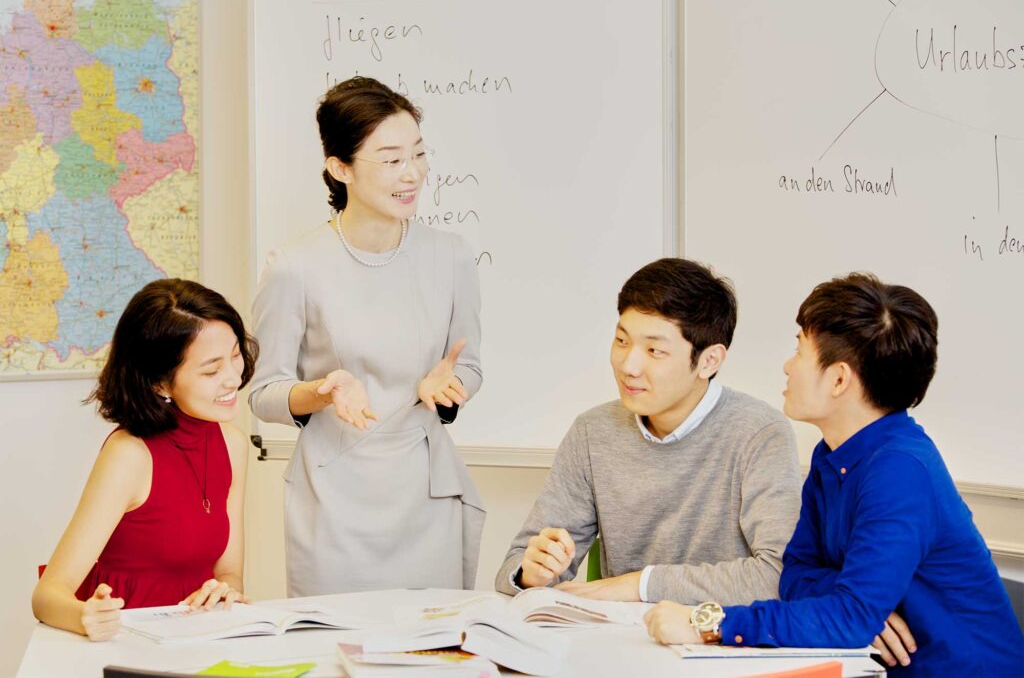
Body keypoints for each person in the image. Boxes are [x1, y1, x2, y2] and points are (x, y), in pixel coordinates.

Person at [643, 273, 1024, 676]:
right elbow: (797, 575)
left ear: (839, 378)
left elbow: (849, 617)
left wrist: (710, 622)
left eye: (800, 351)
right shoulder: (833, 455)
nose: (788, 366)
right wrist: (853, 607)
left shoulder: (899, 471)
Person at [249, 76, 484, 596]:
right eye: (391, 159)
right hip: (334, 498)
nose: (412, 174)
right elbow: (262, 392)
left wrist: (448, 388)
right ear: (340, 168)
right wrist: (321, 390)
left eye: (418, 154)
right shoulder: (294, 267)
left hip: (426, 493)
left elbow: (467, 364)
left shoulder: (452, 255)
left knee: (434, 655)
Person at [495, 258, 801, 606]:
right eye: (622, 341)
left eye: (655, 350)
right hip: (620, 641)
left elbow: (780, 575)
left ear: (709, 361)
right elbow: (512, 570)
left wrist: (640, 585)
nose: (629, 366)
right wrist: (531, 573)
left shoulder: (759, 433)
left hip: (720, 644)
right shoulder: (593, 432)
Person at [31, 279, 257, 641]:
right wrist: (84, 615)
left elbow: (228, 571)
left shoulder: (232, 443)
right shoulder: (129, 455)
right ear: (160, 384)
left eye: (234, 355)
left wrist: (224, 591)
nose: (234, 377)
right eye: (212, 370)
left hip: (196, 641)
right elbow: (47, 596)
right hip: (128, 642)